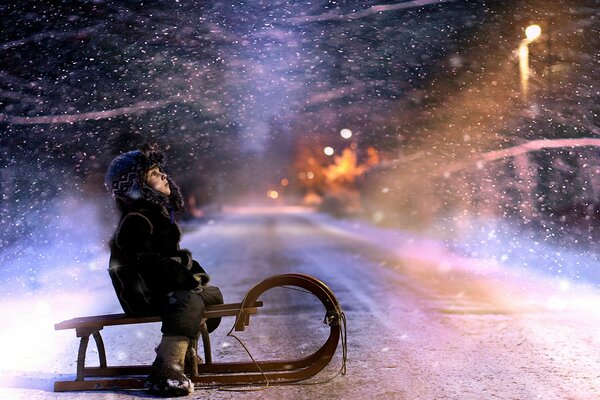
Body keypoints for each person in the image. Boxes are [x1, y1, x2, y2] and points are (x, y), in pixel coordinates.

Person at [104, 144, 223, 397]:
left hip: (160, 287)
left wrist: (194, 273)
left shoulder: (158, 215)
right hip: (140, 292)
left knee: (212, 295)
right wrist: (181, 278)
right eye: (154, 174)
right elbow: (145, 261)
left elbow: (173, 257)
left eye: (161, 171)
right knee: (187, 301)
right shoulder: (137, 220)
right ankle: (166, 367)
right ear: (137, 186)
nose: (163, 176)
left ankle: (186, 350)